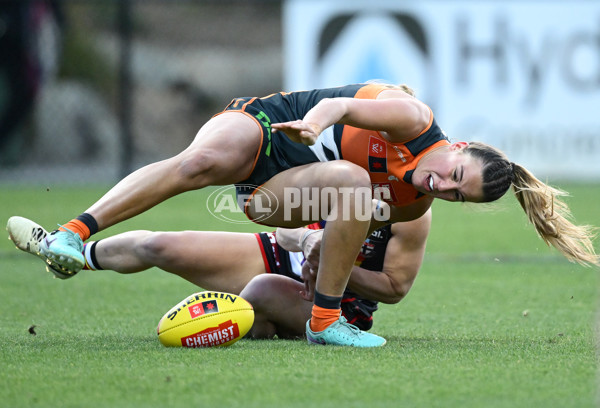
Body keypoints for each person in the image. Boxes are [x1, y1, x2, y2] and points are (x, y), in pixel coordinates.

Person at [12, 82, 599, 347]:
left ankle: (316, 317)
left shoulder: (413, 206)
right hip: (270, 135)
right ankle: (71, 241)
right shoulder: (413, 118)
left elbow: (395, 287)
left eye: (457, 196)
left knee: (272, 275)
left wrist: (321, 256)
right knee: (199, 164)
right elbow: (343, 103)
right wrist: (317, 125)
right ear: (458, 143)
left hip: (289, 226)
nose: (442, 186)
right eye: (454, 174)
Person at [6, 208, 431, 341]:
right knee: (159, 245)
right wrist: (305, 240)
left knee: (260, 291)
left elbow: (394, 288)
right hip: (283, 258)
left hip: (339, 305)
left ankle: (264, 322)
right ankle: (64, 252)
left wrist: (338, 265)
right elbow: (281, 222)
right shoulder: (341, 165)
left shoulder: (413, 209)